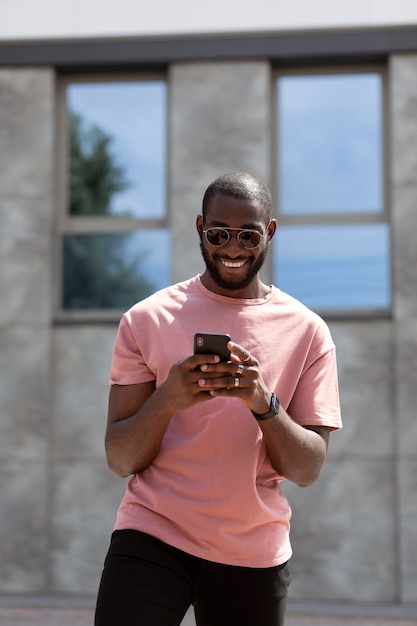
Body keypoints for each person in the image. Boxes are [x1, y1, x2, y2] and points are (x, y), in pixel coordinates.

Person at [94, 171, 342, 626]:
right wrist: (168, 398)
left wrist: (263, 402)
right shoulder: (145, 320)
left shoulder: (308, 332)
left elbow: (307, 469)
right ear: (199, 229)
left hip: (254, 550)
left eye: (248, 235)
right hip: (152, 534)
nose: (232, 249)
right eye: (218, 234)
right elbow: (120, 458)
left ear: (268, 232)